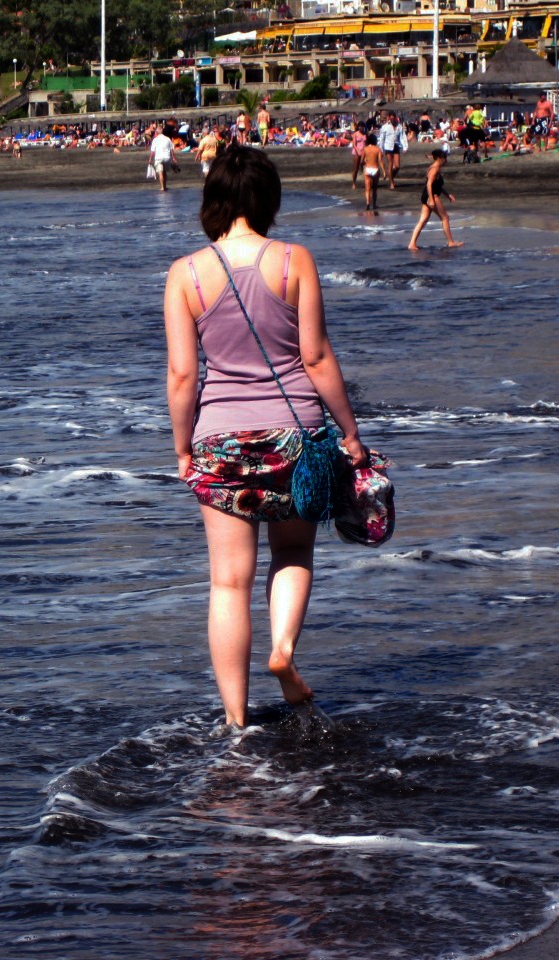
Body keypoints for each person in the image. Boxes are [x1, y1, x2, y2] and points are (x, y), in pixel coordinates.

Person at [162, 145, 367, 729]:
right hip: (295, 436)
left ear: (212, 201)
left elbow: (182, 376)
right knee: (293, 551)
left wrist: (182, 448)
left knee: (228, 582)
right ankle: (282, 649)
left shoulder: (185, 274)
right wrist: (350, 433)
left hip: (220, 441)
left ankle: (235, 722)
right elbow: (316, 357)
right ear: (268, 199)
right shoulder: (293, 261)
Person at [407, 149, 461, 250]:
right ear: (440, 158)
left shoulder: (434, 167)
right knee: (445, 218)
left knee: (423, 220)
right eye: (444, 158)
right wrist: (431, 199)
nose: (445, 160)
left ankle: (412, 244)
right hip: (431, 196)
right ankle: (451, 242)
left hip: (427, 195)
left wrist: (447, 195)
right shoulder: (435, 169)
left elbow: (437, 186)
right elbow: (429, 184)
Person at [360, 133, 383, 215]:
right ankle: (374, 204)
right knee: (375, 188)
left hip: (368, 168)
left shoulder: (365, 149)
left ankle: (367, 203)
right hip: (375, 168)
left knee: (367, 189)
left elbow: (362, 161)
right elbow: (380, 161)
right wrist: (384, 171)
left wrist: (363, 165)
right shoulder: (378, 149)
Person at [149, 124, 174, 192]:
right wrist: (173, 158)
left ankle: (162, 187)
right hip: (166, 157)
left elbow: (152, 151)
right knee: (164, 172)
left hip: (159, 158)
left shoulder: (155, 140)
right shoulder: (167, 138)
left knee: (160, 173)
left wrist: (150, 159)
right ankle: (165, 186)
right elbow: (171, 149)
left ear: (157, 132)